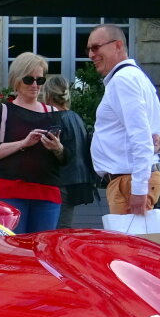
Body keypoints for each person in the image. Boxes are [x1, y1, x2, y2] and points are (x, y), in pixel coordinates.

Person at [87, 24, 160, 216]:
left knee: (128, 244)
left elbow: (140, 135)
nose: (91, 54)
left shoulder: (123, 79)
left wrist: (139, 190)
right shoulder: (136, 77)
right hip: (131, 178)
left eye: (96, 47)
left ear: (117, 45)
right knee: (133, 242)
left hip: (129, 180)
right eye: (89, 49)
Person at [0, 52, 65, 233]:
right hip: (11, 192)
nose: (35, 85)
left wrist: (58, 148)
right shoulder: (3, 111)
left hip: (47, 193)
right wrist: (23, 143)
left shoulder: (53, 112)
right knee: (13, 251)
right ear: (17, 80)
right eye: (29, 80)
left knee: (43, 251)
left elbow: (67, 158)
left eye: (40, 81)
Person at [44, 74, 96, 228]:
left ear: (48, 94)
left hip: (60, 181)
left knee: (57, 231)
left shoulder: (53, 119)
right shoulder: (76, 117)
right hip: (78, 180)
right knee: (64, 227)